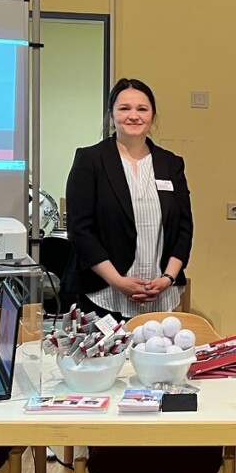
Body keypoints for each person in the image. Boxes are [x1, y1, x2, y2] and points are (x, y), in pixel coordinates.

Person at [64, 78, 193, 321]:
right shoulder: (90, 160)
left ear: (153, 116)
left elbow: (184, 229)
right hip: (103, 292)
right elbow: (80, 230)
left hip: (160, 292)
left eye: (142, 109)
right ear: (111, 115)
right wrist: (117, 281)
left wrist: (168, 278)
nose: (134, 116)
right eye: (124, 108)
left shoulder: (171, 163)